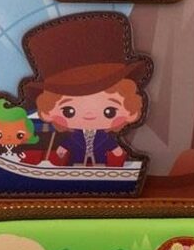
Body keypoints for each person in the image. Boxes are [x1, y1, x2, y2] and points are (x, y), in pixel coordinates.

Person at [20, 12, 152, 168]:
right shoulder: (74, 137)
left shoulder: (104, 138)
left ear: (130, 111)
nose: (89, 115)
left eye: (109, 111)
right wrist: (58, 154)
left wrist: (118, 155)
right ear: (49, 111)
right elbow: (65, 147)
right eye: (69, 111)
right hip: (74, 164)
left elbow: (114, 148)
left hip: (101, 165)